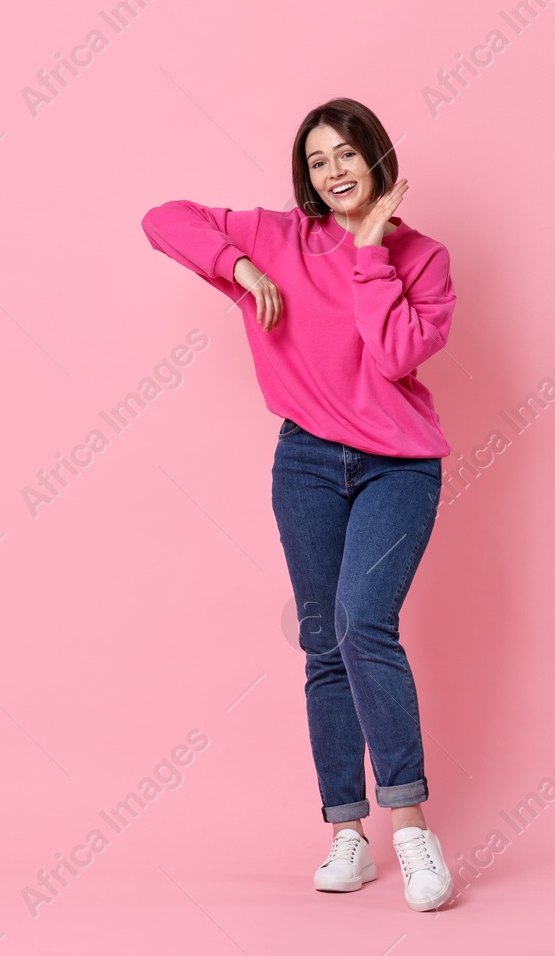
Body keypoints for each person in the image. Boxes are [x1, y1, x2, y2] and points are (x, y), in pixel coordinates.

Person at [141, 97, 456, 912]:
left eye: (347, 154)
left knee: (362, 623)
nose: (334, 171)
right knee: (323, 641)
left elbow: (393, 357)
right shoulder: (276, 237)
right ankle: (346, 832)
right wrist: (238, 267)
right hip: (306, 463)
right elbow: (163, 217)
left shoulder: (423, 257)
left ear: (376, 158)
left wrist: (370, 250)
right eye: (318, 161)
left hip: (400, 466)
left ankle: (411, 826)